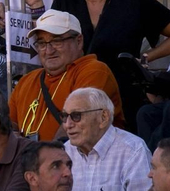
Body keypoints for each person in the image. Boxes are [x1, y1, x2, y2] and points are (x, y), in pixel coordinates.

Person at [10, 10, 125, 142]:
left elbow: (77, 124)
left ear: (79, 41)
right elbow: (10, 124)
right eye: (42, 43)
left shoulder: (94, 71)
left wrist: (45, 157)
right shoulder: (27, 80)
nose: (48, 50)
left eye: (57, 41)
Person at [62, 88, 154, 191]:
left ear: (103, 117)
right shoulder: (65, 151)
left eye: (76, 116)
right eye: (64, 116)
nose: (68, 124)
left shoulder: (133, 150)